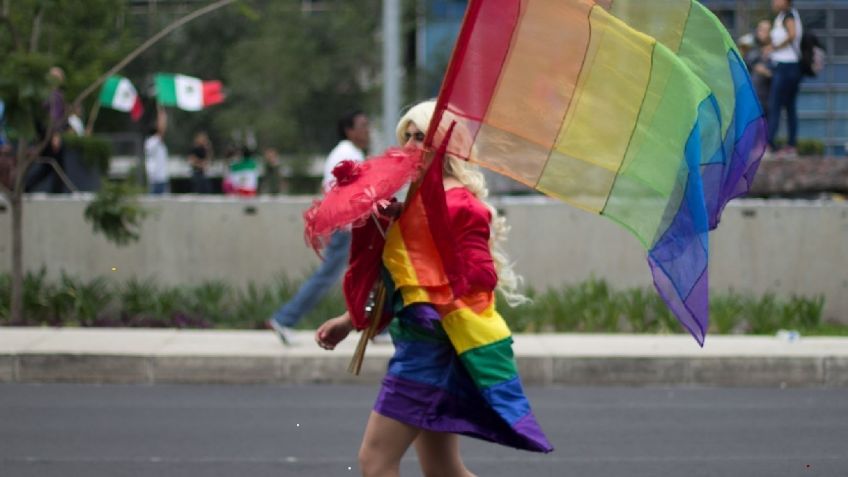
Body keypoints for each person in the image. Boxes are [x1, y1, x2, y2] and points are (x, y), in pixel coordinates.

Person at [314, 100, 553, 476]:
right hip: (421, 340)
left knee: (375, 462)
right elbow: (403, 280)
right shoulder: (413, 200)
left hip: (433, 346)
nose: (410, 145)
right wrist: (349, 320)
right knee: (443, 469)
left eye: (421, 137)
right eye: (406, 136)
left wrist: (434, 233)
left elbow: (479, 281)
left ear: (446, 145)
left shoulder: (459, 202)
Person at [267, 110, 371, 344]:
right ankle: (285, 318)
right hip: (347, 227)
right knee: (331, 276)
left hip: (351, 226)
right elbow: (337, 190)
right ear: (349, 130)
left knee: (369, 274)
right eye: (363, 125)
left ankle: (376, 326)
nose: (368, 130)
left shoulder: (350, 153)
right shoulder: (346, 153)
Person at [764, 0, 803, 157]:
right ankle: (790, 145)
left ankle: (771, 144)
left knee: (776, 105)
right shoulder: (782, 16)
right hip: (789, 66)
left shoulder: (788, 15)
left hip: (786, 66)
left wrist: (774, 47)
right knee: (789, 107)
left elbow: (792, 34)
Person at [742, 20, 774, 119]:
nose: (762, 32)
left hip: (768, 95)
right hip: (752, 94)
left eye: (765, 30)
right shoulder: (751, 47)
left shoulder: (776, 49)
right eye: (760, 29)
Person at [145, 105, 170, 194]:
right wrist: (161, 113)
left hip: (158, 177)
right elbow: (162, 129)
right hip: (157, 177)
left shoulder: (151, 142)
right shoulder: (153, 141)